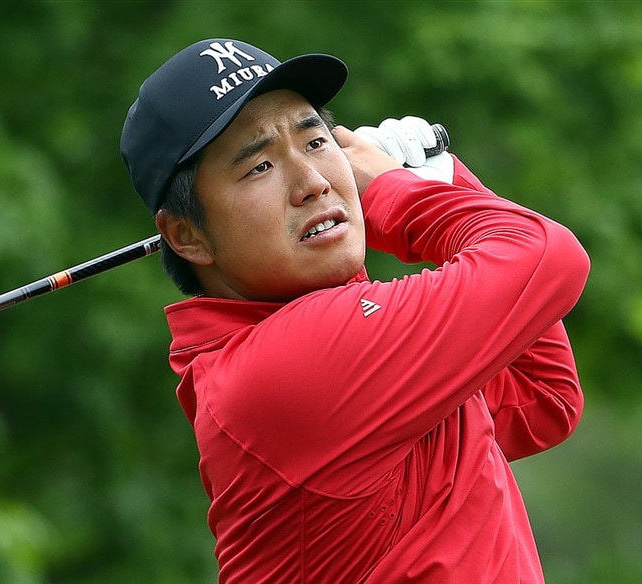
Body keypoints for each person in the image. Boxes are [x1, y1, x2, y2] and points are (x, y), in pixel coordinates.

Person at [120, 38, 590, 583]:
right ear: (187, 235)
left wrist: (445, 180)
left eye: (316, 142)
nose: (314, 182)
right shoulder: (289, 363)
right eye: (260, 166)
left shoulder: (363, 359)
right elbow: (549, 257)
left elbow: (541, 398)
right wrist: (399, 191)